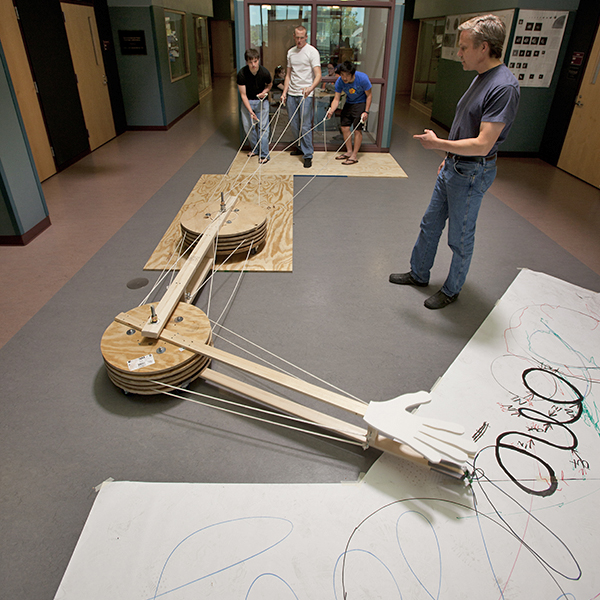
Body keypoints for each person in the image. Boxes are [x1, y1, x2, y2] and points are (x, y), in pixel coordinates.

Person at [390, 14, 520, 310]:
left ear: (484, 47)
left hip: (472, 172)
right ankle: (419, 273)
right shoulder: (480, 78)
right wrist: (448, 157)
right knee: (430, 224)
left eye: (464, 47)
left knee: (460, 238)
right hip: (454, 166)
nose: (458, 54)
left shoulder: (504, 87)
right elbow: (468, 126)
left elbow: (484, 143)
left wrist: (438, 145)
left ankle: (451, 289)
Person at [281, 26, 322, 168]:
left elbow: (318, 75)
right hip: (292, 93)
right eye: (297, 37)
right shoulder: (290, 53)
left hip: (306, 94)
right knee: (294, 124)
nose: (299, 40)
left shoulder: (312, 52)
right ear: (294, 36)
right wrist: (284, 92)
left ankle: (308, 154)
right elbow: (288, 75)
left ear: (306, 37)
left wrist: (310, 88)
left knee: (305, 126)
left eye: (302, 37)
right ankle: (299, 147)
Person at [325, 61, 372, 165]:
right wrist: (331, 110)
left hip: (361, 103)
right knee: (344, 127)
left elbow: (369, 95)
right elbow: (336, 99)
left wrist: (366, 111)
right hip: (349, 102)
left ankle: (354, 156)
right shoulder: (340, 81)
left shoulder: (363, 79)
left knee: (357, 130)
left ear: (353, 74)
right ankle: (349, 151)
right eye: (342, 75)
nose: (344, 78)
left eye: (347, 75)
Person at [237, 48, 272, 164]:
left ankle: (264, 154)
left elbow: (269, 84)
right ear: (247, 62)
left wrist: (265, 92)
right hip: (248, 102)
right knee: (248, 127)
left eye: (255, 61)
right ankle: (255, 149)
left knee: (263, 128)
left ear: (258, 60)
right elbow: (243, 95)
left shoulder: (264, 72)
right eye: (251, 62)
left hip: (262, 102)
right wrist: (250, 112)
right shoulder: (242, 74)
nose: (253, 64)